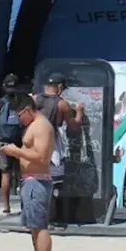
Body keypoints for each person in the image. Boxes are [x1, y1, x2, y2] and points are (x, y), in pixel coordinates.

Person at [0, 94, 56, 251]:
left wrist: (16, 151)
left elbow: (41, 157)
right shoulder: (34, 125)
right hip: (31, 181)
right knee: (33, 226)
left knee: (40, 227)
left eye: (19, 115)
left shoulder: (41, 126)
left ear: (28, 110)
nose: (19, 119)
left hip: (37, 181)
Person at [34, 73, 84, 226]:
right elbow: (74, 126)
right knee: (52, 185)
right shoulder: (62, 104)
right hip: (52, 147)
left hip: (34, 143)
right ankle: (48, 220)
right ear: (60, 87)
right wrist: (80, 112)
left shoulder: (34, 99)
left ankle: (36, 218)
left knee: (37, 182)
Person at [0, 74, 25, 214]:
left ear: (4, 87)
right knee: (22, 174)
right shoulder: (23, 102)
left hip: (4, 141)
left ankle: (6, 206)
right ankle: (24, 204)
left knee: (5, 173)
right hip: (20, 141)